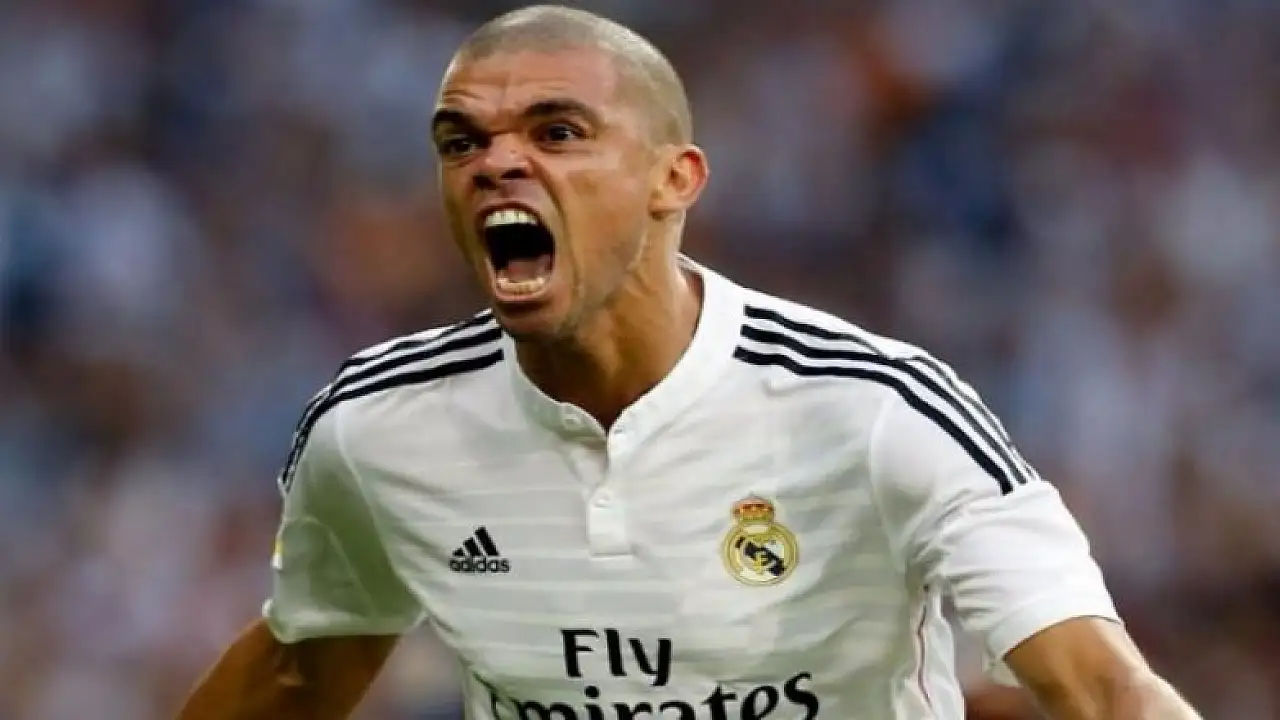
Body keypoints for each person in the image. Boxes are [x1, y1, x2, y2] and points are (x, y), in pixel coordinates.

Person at [177, 5, 1201, 719]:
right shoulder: (377, 432)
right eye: (460, 141)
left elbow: (1105, 691)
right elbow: (298, 673)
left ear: (674, 180)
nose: (496, 162)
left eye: (557, 132)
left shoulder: (877, 410)